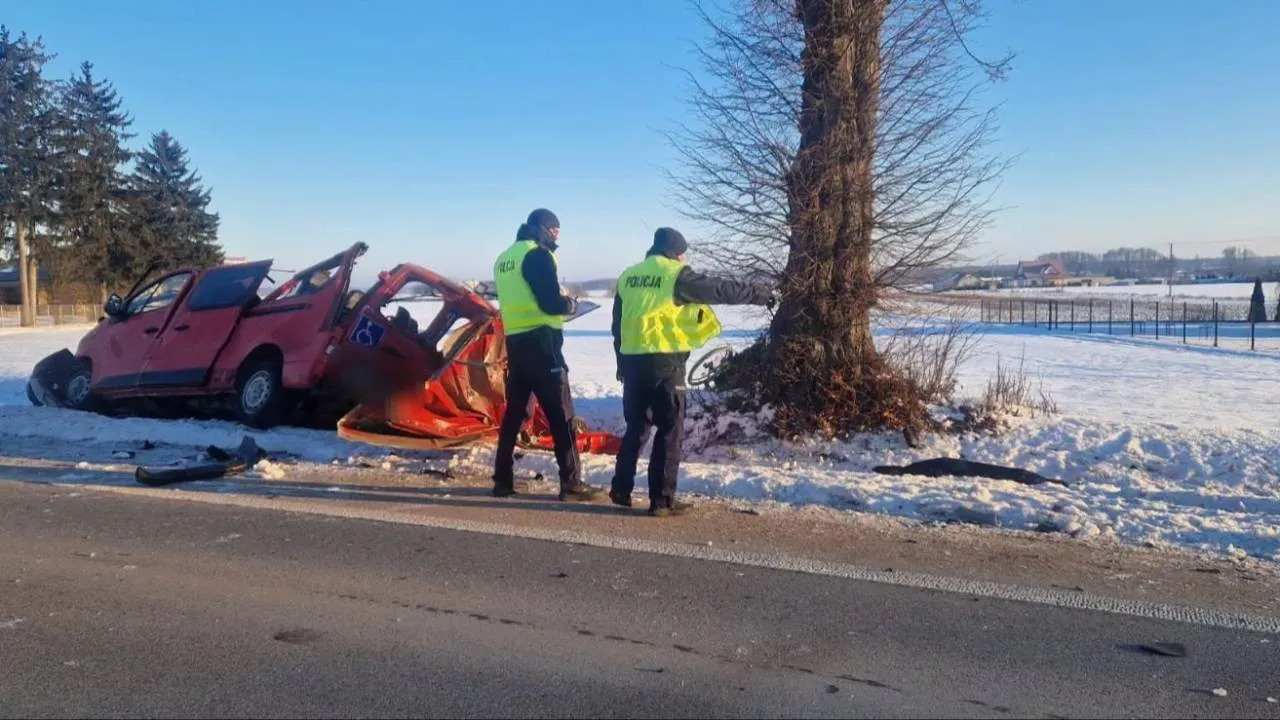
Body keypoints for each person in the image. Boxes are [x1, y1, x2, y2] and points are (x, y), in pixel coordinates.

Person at [609, 227, 775, 517]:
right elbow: (719, 289)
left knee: (636, 426)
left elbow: (617, 325)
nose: (684, 258)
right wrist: (759, 294)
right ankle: (661, 501)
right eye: (682, 253)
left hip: (632, 363)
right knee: (669, 430)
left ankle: (620, 489)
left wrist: (621, 363)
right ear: (675, 252)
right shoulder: (675, 275)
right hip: (665, 362)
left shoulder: (628, 276)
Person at [491, 208, 603, 502]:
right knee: (561, 414)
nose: (556, 237)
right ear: (542, 228)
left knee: (515, 414)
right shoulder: (537, 255)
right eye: (554, 231)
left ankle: (502, 480)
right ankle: (572, 484)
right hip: (543, 344)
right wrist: (570, 305)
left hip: (516, 343)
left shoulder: (504, 259)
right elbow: (550, 303)